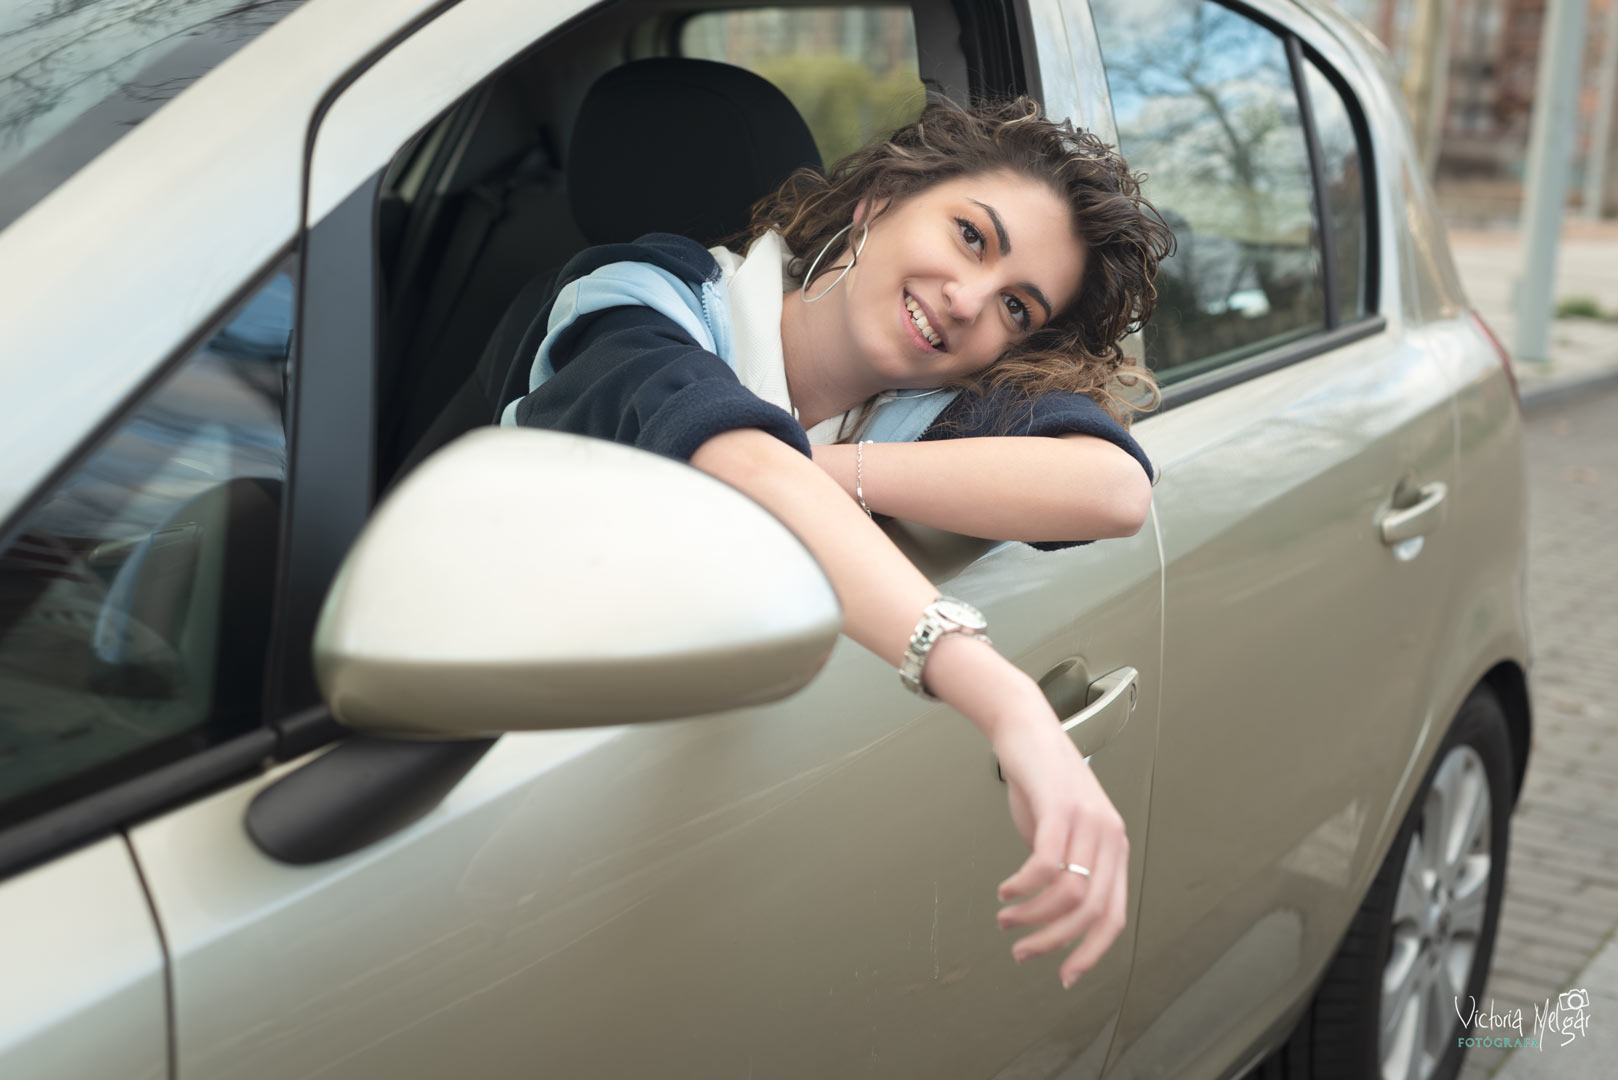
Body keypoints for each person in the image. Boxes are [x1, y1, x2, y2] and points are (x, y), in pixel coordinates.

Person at [502, 96, 1175, 990]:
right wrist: (1006, 702)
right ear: (880, 199)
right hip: (516, 753)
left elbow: (1114, 486)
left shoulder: (938, 409)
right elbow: (722, 442)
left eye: (1017, 307)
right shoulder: (647, 292)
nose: (970, 300)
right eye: (972, 237)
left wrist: (836, 468)